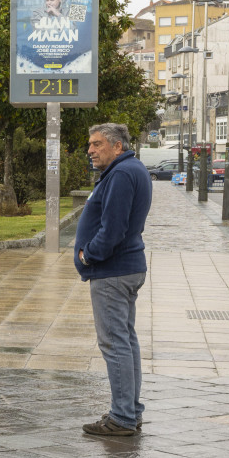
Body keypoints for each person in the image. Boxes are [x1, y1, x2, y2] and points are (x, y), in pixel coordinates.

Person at [75, 123, 152, 436]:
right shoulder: (130, 169)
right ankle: (130, 411)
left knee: (114, 343)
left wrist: (88, 254)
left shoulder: (121, 174)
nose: (90, 150)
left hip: (113, 271)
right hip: (126, 268)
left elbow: (113, 229)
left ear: (117, 146)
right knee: (125, 340)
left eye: (97, 144)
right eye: (90, 144)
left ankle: (121, 418)